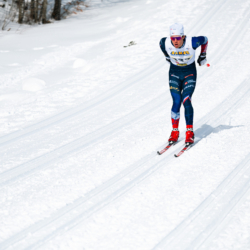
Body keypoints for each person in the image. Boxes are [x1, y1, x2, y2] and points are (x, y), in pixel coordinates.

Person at [159, 23, 208, 145]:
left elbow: (205, 40)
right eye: (173, 38)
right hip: (174, 72)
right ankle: (174, 132)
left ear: (183, 37)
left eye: (178, 38)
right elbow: (161, 44)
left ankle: (189, 132)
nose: (175, 41)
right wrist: (167, 57)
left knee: (186, 100)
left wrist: (203, 55)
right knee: (176, 101)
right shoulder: (165, 42)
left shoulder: (192, 42)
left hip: (189, 72)